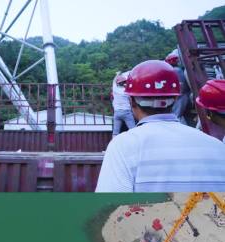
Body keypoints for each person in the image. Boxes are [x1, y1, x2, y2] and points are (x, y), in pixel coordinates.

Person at [96, 60, 225, 192]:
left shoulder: (123, 146)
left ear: (131, 101)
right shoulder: (218, 147)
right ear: (175, 99)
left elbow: (109, 207)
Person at [165, 51, 192, 124]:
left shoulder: (175, 70)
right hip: (182, 94)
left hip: (181, 95)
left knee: (177, 114)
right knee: (177, 113)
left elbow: (181, 86)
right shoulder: (178, 70)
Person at [111, 71, 135, 136]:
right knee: (133, 130)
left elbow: (113, 82)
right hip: (127, 112)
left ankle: (113, 144)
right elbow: (131, 101)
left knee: (115, 132)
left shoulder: (115, 90)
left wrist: (117, 75)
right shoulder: (126, 91)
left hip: (117, 112)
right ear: (124, 83)